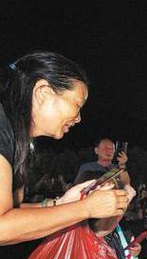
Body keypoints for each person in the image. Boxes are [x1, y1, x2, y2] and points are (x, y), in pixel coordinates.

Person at [0, 52, 128, 246]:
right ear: (43, 93)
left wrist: (61, 204)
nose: (78, 118)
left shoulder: (17, 141)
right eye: (77, 104)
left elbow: (12, 211)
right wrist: (85, 208)